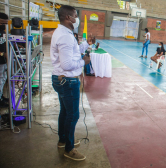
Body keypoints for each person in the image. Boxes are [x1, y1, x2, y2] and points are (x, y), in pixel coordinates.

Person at [50, 5, 95, 161]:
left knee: (65, 111)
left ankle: (63, 139)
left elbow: (74, 49)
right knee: (73, 115)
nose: (77, 19)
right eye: (75, 16)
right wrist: (84, 61)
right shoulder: (65, 36)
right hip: (68, 81)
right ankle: (69, 148)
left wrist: (87, 44)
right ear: (68, 17)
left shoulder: (64, 32)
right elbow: (67, 64)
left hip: (61, 79)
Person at [0, 13, 9, 108]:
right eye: (2, 23)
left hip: (4, 60)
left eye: (6, 23)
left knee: (3, 79)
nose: (4, 25)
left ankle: (1, 97)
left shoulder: (3, 32)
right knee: (0, 81)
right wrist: (2, 54)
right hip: (0, 61)